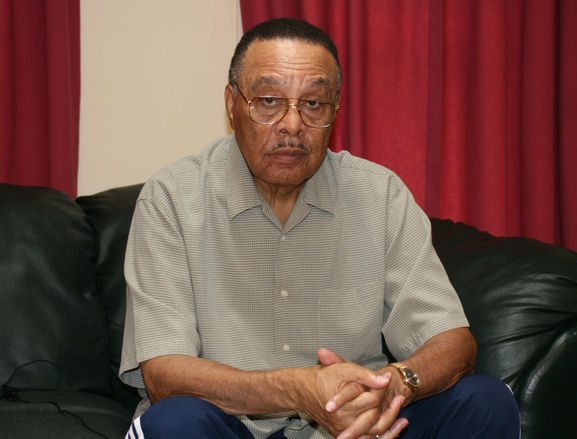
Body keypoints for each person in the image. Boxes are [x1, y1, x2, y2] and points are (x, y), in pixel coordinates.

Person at [119, 18, 519, 439]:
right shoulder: (172, 199)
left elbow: (452, 342)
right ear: (232, 104)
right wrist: (296, 389)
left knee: (483, 401)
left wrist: (393, 386)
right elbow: (164, 374)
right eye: (269, 100)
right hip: (231, 425)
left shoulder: (379, 195)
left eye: (313, 103)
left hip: (358, 427)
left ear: (335, 110)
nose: (292, 124)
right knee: (174, 423)